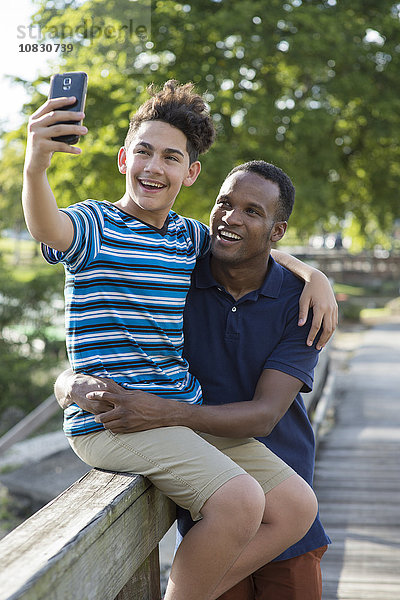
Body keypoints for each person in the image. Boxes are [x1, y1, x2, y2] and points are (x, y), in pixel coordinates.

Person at [23, 80, 332, 600]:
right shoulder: (95, 224)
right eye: (143, 151)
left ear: (189, 174)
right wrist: (36, 165)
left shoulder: (188, 237)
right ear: (124, 158)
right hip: (114, 417)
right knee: (238, 501)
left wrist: (313, 275)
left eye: (171, 157)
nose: (154, 167)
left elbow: (250, 242)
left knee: (298, 507)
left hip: (175, 410)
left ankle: (193, 589)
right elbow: (48, 226)